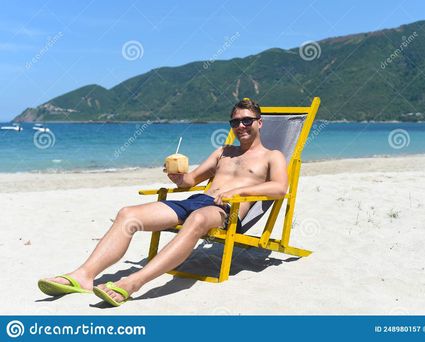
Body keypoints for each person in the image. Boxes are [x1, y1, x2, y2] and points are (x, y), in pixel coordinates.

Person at [38, 98, 288, 306]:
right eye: (235, 121)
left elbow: (279, 188)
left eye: (247, 120)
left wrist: (240, 194)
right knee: (128, 214)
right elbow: (190, 181)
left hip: (226, 212)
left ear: (260, 122)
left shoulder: (272, 156)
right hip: (197, 200)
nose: (241, 125)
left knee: (198, 219)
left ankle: (134, 282)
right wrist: (179, 176)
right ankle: (84, 275)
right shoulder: (224, 151)